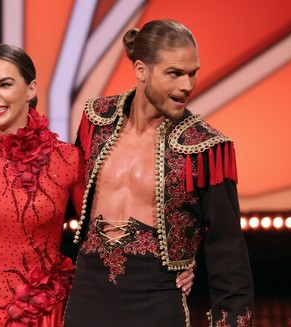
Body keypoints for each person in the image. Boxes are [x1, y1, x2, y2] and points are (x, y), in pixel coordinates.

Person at [0, 43, 194, 327]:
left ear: (31, 89)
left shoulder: (67, 159)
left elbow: (103, 233)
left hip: (46, 312)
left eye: (4, 84)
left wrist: (176, 263)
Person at [63, 19, 254, 326]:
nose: (187, 85)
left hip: (157, 302)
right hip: (88, 298)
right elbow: (63, 200)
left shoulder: (206, 147)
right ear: (141, 70)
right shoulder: (95, 120)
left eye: (193, 73)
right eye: (175, 73)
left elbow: (229, 253)